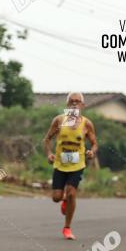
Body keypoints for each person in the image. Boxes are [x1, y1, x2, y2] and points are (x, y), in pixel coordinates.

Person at [43, 93, 98, 240]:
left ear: (83, 105)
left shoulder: (86, 124)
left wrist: (91, 152)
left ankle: (67, 228)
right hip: (60, 163)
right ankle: (64, 200)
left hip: (77, 163)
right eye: (72, 101)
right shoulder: (59, 121)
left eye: (78, 101)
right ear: (67, 105)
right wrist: (49, 154)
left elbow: (94, 143)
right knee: (56, 197)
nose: (74, 104)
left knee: (72, 192)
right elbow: (47, 139)